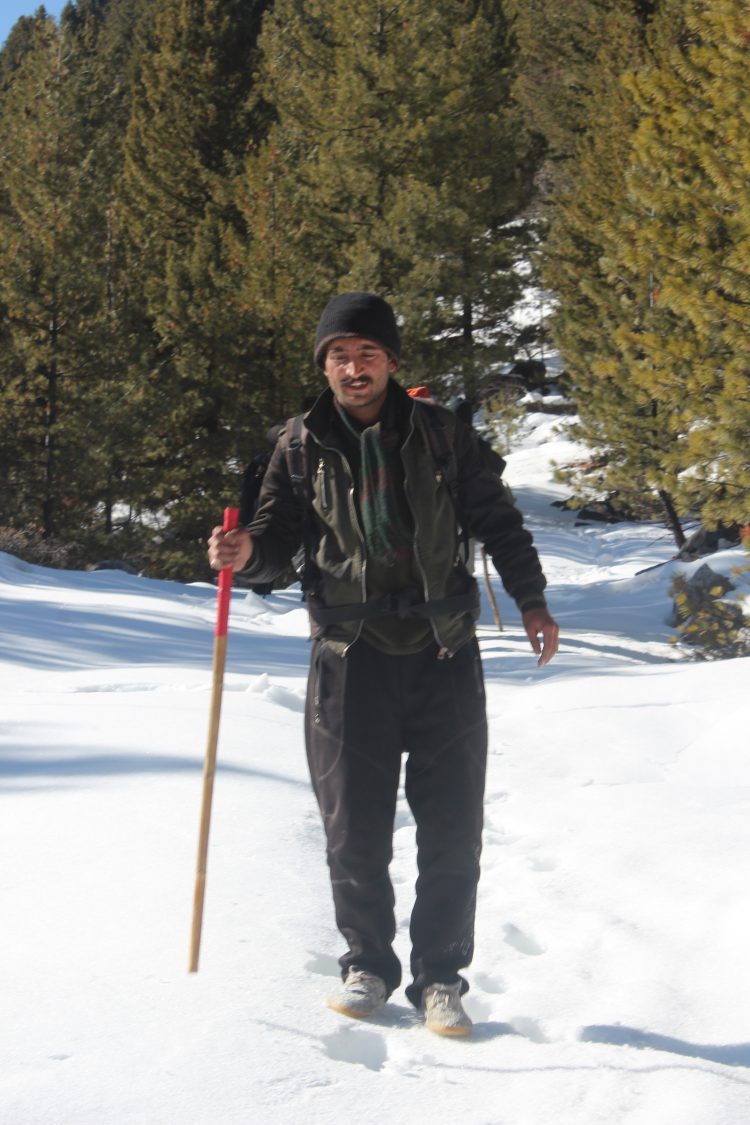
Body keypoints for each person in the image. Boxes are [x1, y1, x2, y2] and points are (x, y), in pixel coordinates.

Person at [207, 291, 559, 1037]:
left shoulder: (440, 434)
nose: (353, 367)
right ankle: (368, 962)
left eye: (368, 353)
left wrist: (531, 600)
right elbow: (274, 542)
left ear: (392, 361)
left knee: (453, 828)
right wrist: (245, 554)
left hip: (443, 653)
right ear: (324, 364)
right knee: (353, 827)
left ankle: (440, 977)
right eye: (339, 354)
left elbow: (498, 518)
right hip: (348, 655)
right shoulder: (298, 445)